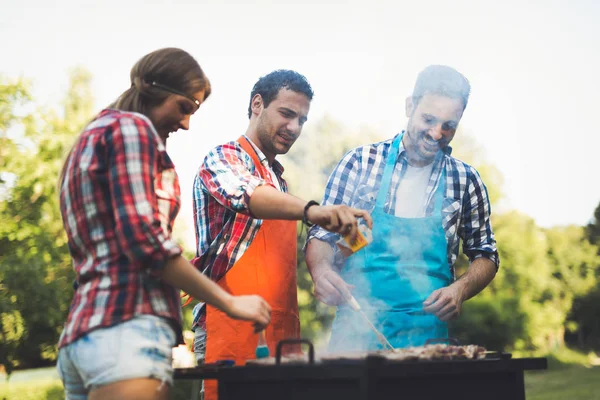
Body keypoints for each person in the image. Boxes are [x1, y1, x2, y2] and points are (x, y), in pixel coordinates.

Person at [56, 47, 271, 400]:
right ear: (154, 88)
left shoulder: (90, 137)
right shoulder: (132, 128)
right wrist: (231, 304)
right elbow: (147, 243)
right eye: (185, 107)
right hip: (126, 330)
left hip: (85, 334)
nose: (186, 123)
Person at [190, 69, 372, 400]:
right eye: (286, 114)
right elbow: (247, 194)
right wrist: (314, 211)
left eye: (302, 120)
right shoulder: (224, 158)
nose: (294, 128)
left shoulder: (281, 184)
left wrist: (335, 261)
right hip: (230, 332)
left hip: (283, 337)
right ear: (257, 104)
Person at [305, 65, 499, 352]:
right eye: (429, 119)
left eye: (449, 126)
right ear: (410, 106)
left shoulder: (466, 180)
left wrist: (460, 288)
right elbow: (322, 235)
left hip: (430, 343)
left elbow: (486, 254)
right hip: (356, 337)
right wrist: (321, 270)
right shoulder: (359, 163)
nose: (436, 133)